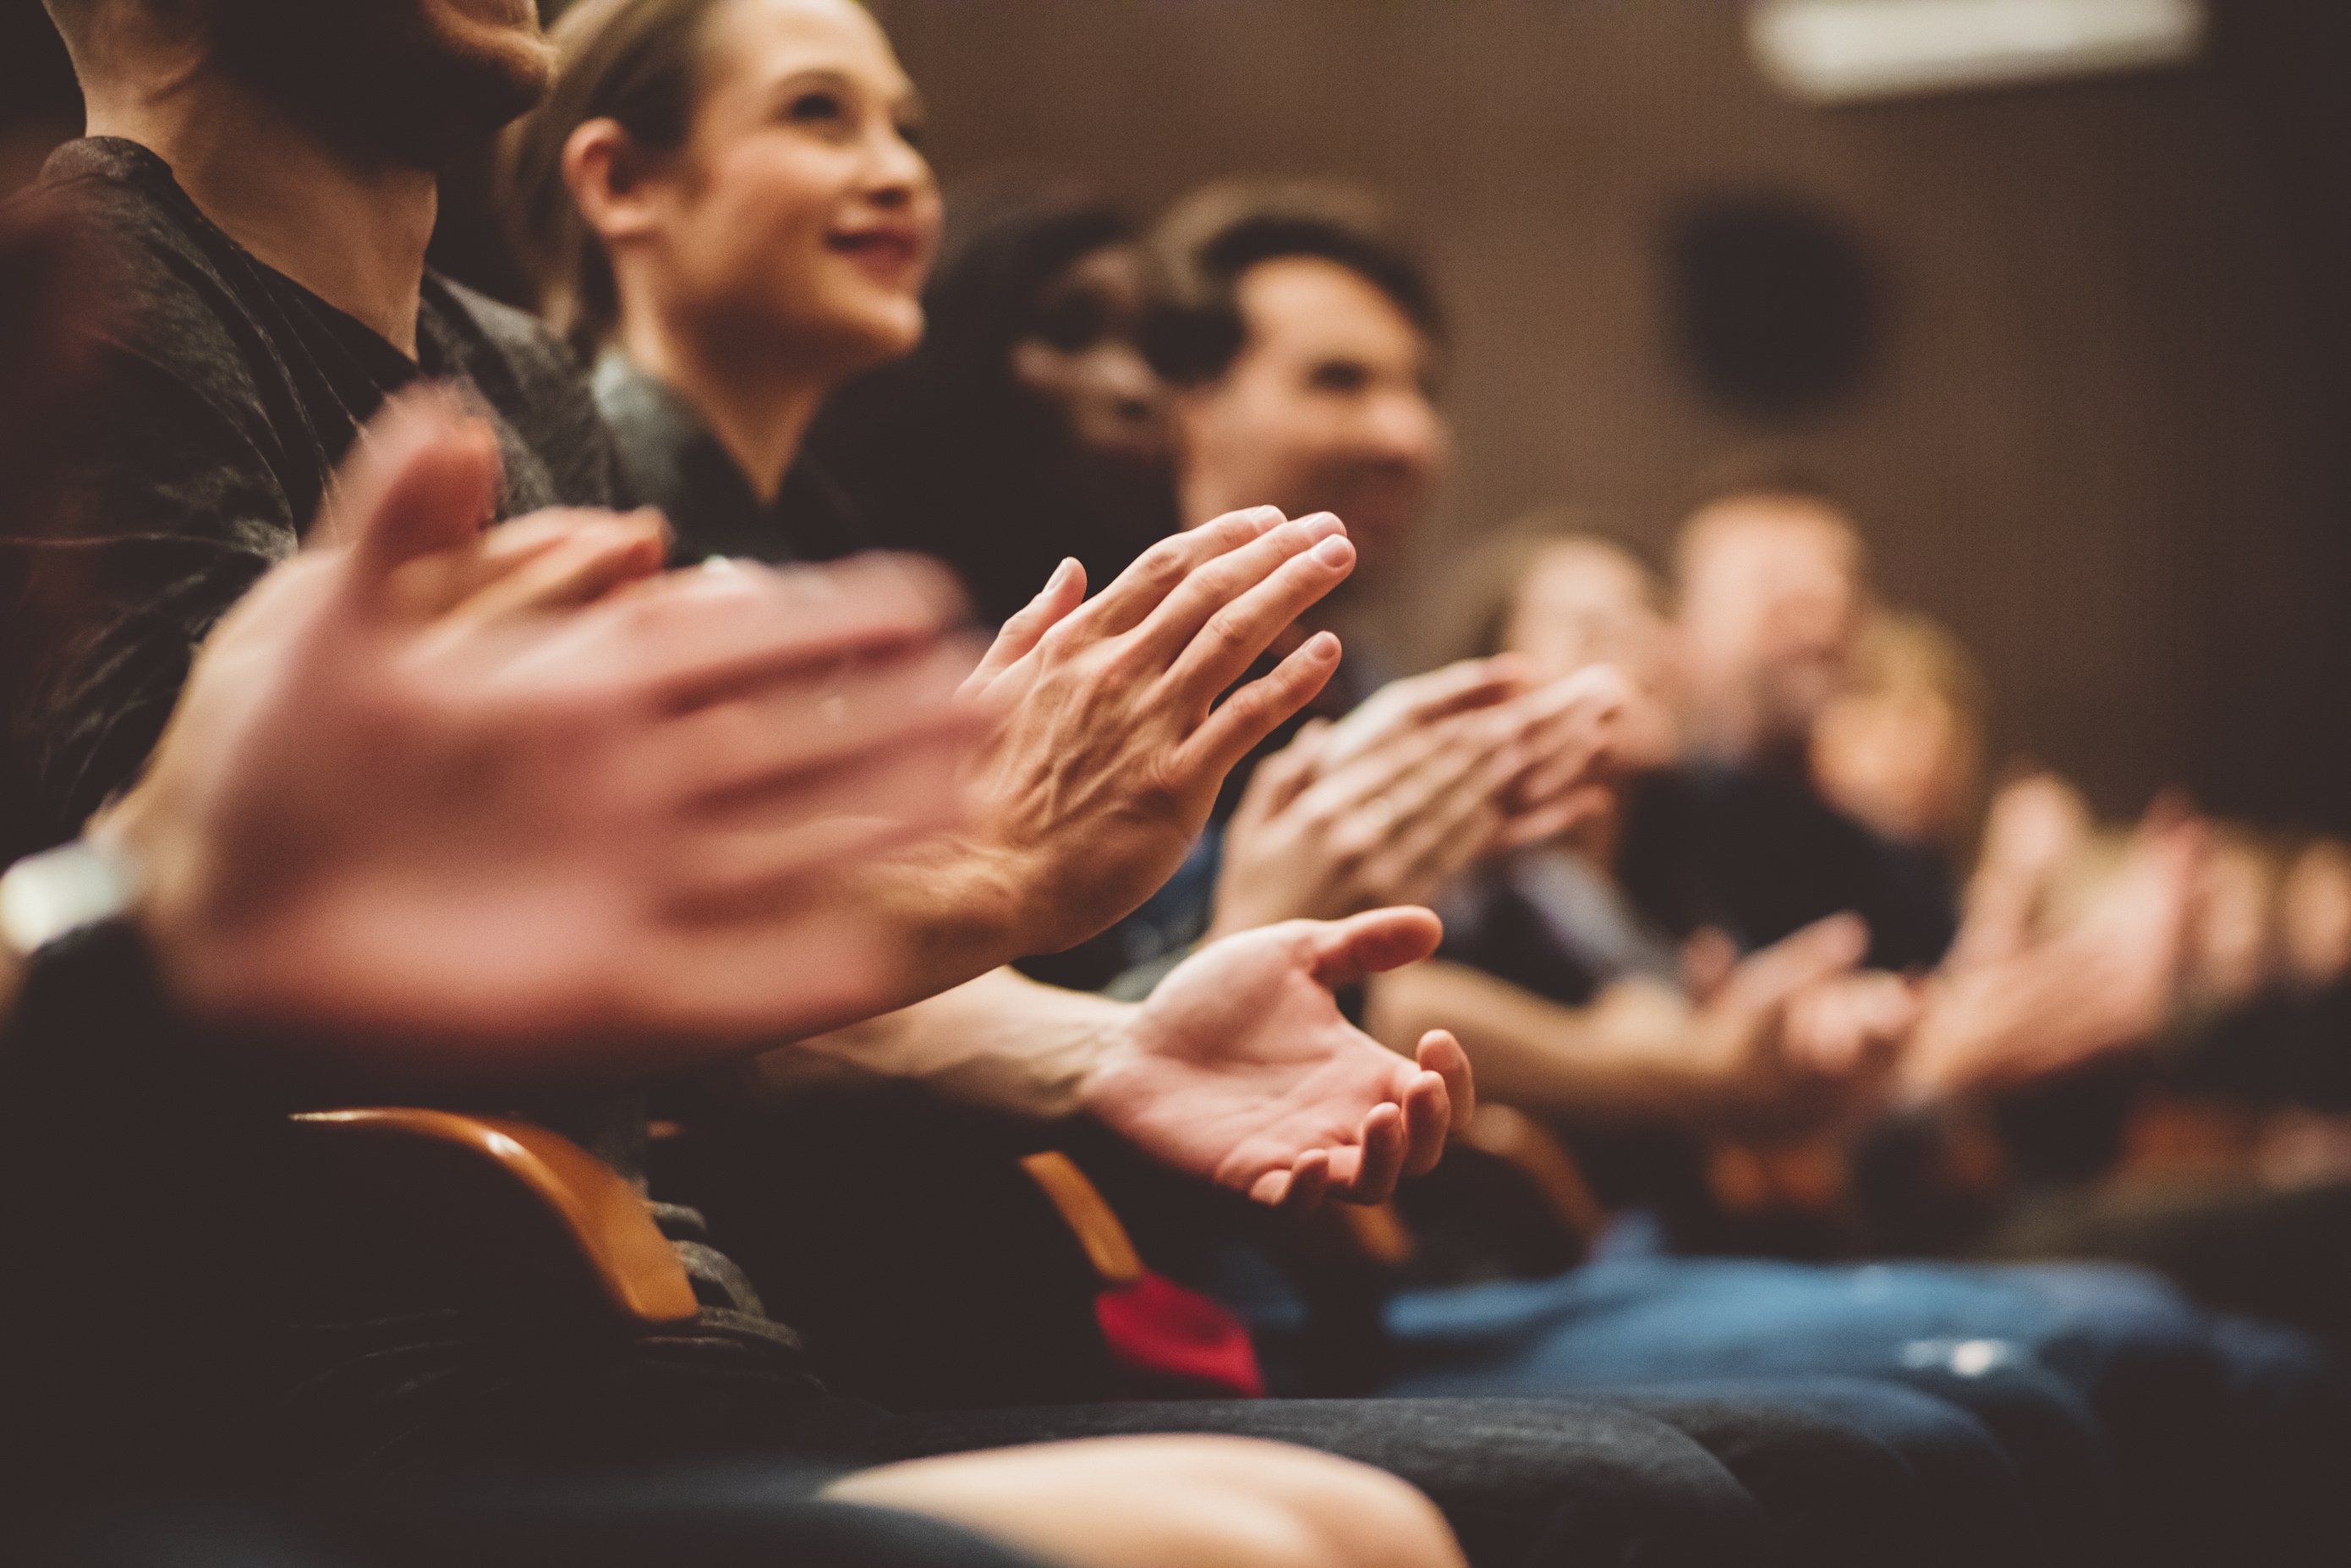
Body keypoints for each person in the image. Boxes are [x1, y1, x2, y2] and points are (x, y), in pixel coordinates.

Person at [3, 8, 1828, 1566]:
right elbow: (263, 955)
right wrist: (966, 879)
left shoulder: (512, 372)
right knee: (1570, 1508)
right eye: (820, 116)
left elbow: (709, 1003)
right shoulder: (109, 297)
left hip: (690, 1343)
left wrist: (1100, 1047)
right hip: (379, 1398)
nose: (892, 173)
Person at [808, 187, 1180, 623]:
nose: (1136, 388)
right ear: (959, 350)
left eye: (1159, 351)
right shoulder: (811, 584)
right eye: (1067, 332)